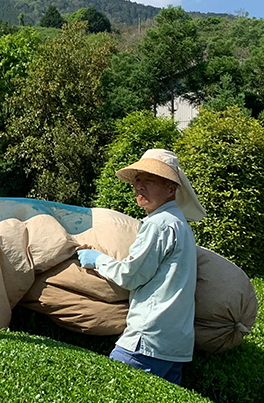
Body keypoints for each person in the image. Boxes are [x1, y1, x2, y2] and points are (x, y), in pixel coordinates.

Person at [77, 148, 205, 385]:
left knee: (111, 396)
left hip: (147, 341)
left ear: (171, 189)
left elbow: (131, 276)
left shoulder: (159, 225)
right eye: (138, 180)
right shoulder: (179, 223)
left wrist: (96, 259)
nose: (139, 186)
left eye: (150, 180)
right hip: (174, 346)